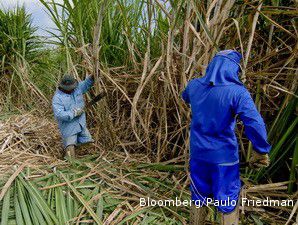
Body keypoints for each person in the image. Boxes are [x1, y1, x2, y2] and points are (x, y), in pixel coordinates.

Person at [181, 50, 271, 225]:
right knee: (227, 200)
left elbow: (185, 97)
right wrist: (261, 150)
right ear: (233, 69)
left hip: (198, 154)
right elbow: (255, 122)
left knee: (198, 194)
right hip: (224, 159)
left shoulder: (193, 86)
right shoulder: (238, 92)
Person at [52, 74, 94, 158]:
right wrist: (73, 113)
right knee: (70, 146)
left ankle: (81, 156)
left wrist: (92, 77)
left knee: (87, 141)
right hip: (69, 127)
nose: (73, 89)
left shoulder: (77, 88)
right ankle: (70, 164)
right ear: (64, 87)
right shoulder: (57, 98)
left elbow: (86, 84)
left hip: (81, 123)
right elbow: (59, 114)